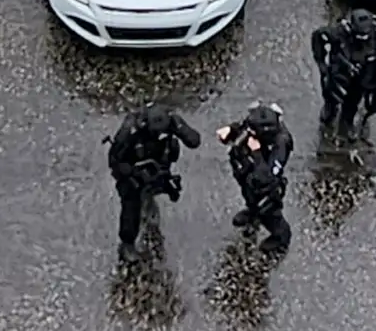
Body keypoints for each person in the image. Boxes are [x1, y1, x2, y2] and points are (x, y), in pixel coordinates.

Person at [106, 104, 201, 263]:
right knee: (131, 202)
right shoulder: (131, 129)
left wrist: (180, 127)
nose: (159, 134)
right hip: (132, 170)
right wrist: (134, 173)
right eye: (155, 132)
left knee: (160, 189)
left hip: (157, 165)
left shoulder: (171, 122)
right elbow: (115, 161)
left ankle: (150, 207)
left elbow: (194, 140)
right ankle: (127, 243)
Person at [217, 101, 293, 255]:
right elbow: (244, 126)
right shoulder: (256, 122)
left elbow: (269, 177)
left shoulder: (281, 142)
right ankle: (252, 213)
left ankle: (280, 237)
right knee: (250, 194)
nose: (249, 132)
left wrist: (257, 153)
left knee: (269, 209)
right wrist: (231, 130)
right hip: (249, 176)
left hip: (266, 186)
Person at [311, 9, 376, 142]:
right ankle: (330, 108)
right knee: (330, 92)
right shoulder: (338, 33)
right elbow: (318, 37)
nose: (363, 40)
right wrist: (322, 64)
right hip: (339, 73)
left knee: (351, 103)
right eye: (360, 36)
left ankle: (347, 123)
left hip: (362, 77)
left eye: (366, 36)